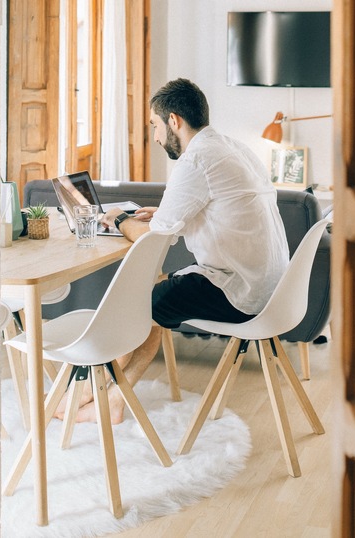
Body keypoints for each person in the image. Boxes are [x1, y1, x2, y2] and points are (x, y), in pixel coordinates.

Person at [59, 78, 289, 424]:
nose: (154, 137)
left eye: (154, 125)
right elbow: (209, 207)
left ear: (174, 121)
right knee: (159, 296)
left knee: (138, 302)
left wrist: (118, 218)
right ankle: (115, 399)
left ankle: (96, 394)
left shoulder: (195, 161)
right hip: (273, 289)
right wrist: (162, 212)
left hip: (240, 293)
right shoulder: (233, 148)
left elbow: (153, 237)